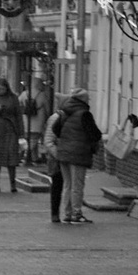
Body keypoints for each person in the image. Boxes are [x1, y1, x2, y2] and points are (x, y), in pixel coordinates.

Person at [48, 92, 103, 225]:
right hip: (78, 154)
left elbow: (55, 130)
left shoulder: (64, 112)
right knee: (77, 185)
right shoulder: (84, 114)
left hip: (63, 154)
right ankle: (76, 213)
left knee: (67, 185)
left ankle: (67, 213)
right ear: (83, 100)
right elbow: (94, 134)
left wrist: (66, 140)